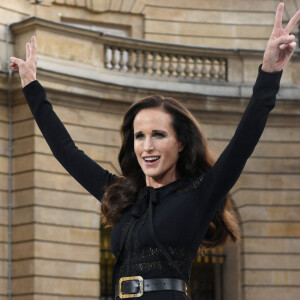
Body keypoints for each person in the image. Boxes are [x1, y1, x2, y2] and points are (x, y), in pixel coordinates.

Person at [10, 3, 300, 300]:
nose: (147, 146)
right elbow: (65, 151)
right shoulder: (121, 195)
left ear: (181, 143)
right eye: (139, 136)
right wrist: (32, 86)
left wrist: (269, 72)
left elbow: (243, 142)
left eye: (158, 135)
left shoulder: (199, 193)